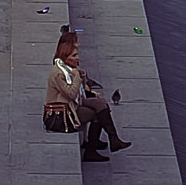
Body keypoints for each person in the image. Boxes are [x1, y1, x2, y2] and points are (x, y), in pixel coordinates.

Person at [45, 29, 130, 162]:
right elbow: (71, 94)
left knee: (101, 104)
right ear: (65, 57)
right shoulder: (59, 73)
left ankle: (113, 139)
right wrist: (77, 77)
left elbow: (79, 90)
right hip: (63, 112)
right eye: (74, 56)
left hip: (74, 103)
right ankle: (92, 149)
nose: (77, 58)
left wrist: (81, 76)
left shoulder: (69, 68)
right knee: (97, 114)